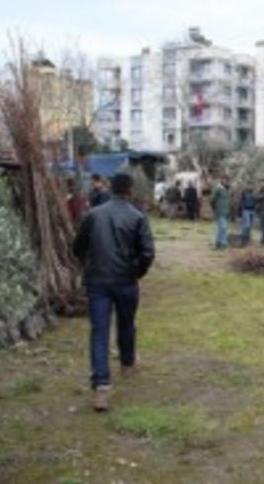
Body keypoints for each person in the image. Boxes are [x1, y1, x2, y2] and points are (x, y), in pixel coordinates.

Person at [72, 173, 155, 411]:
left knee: (99, 331)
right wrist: (136, 271)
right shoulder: (137, 217)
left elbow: (78, 246)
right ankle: (127, 363)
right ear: (130, 190)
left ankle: (101, 387)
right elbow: (148, 252)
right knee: (127, 323)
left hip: (97, 280)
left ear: (110, 188)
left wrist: (89, 263)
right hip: (125, 280)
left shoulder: (93, 215)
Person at [210, 175, 231, 249]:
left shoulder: (226, 189)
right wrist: (215, 208)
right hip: (219, 212)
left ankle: (218, 243)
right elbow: (212, 200)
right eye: (224, 180)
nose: (226, 181)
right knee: (223, 227)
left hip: (226, 212)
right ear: (221, 180)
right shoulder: (218, 189)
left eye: (227, 180)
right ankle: (223, 243)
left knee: (221, 228)